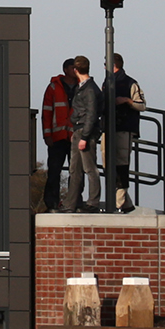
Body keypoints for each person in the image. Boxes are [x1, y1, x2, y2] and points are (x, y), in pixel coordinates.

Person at [40, 56, 104, 212]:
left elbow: (92, 112)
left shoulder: (83, 87)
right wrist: (47, 134)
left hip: (76, 134)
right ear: (66, 70)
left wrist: (85, 134)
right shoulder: (54, 87)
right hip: (58, 137)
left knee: (79, 170)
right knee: (56, 171)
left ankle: (76, 202)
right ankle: (54, 203)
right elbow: (47, 112)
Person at [106, 53, 143, 213]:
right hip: (108, 127)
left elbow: (142, 105)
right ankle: (124, 203)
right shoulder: (106, 82)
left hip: (124, 128)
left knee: (121, 163)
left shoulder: (130, 83)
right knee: (109, 163)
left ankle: (118, 201)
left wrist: (127, 101)